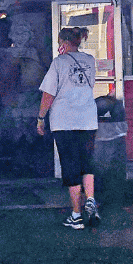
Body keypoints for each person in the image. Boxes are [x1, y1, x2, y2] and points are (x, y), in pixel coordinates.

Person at [36, 26, 100, 229]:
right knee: (86, 162)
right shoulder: (89, 60)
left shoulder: (59, 63)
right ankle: (90, 199)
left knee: (70, 165)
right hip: (88, 119)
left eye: (59, 43)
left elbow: (48, 94)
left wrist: (40, 118)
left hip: (65, 121)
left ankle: (76, 215)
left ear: (63, 43)